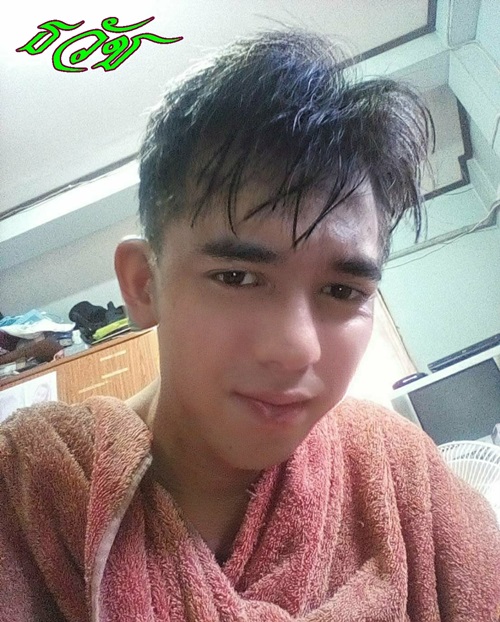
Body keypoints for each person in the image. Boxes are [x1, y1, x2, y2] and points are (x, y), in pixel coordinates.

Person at [1, 29, 499, 622]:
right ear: (142, 284)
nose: (295, 350)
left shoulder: (400, 475)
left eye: (343, 291)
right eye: (237, 277)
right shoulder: (27, 489)